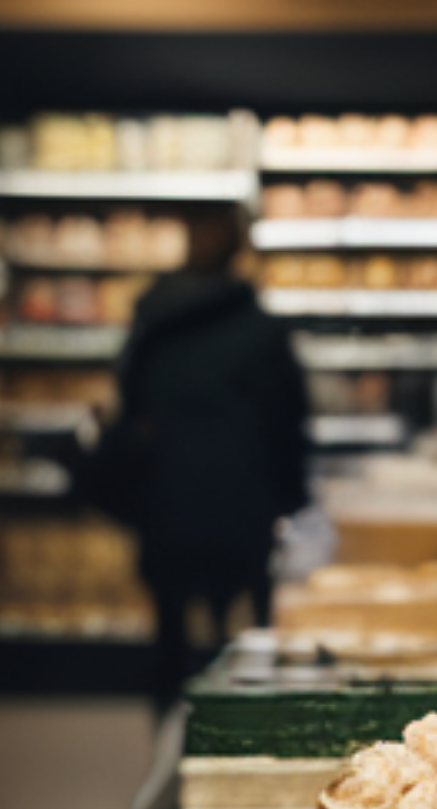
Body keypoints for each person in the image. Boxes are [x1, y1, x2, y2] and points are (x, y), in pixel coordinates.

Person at [88, 202, 310, 704]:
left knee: (170, 630)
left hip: (168, 494)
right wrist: (290, 497)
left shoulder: (153, 318)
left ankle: (170, 727)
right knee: (249, 633)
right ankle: (243, 728)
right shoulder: (261, 330)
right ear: (239, 248)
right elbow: (288, 421)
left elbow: (131, 404)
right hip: (242, 499)